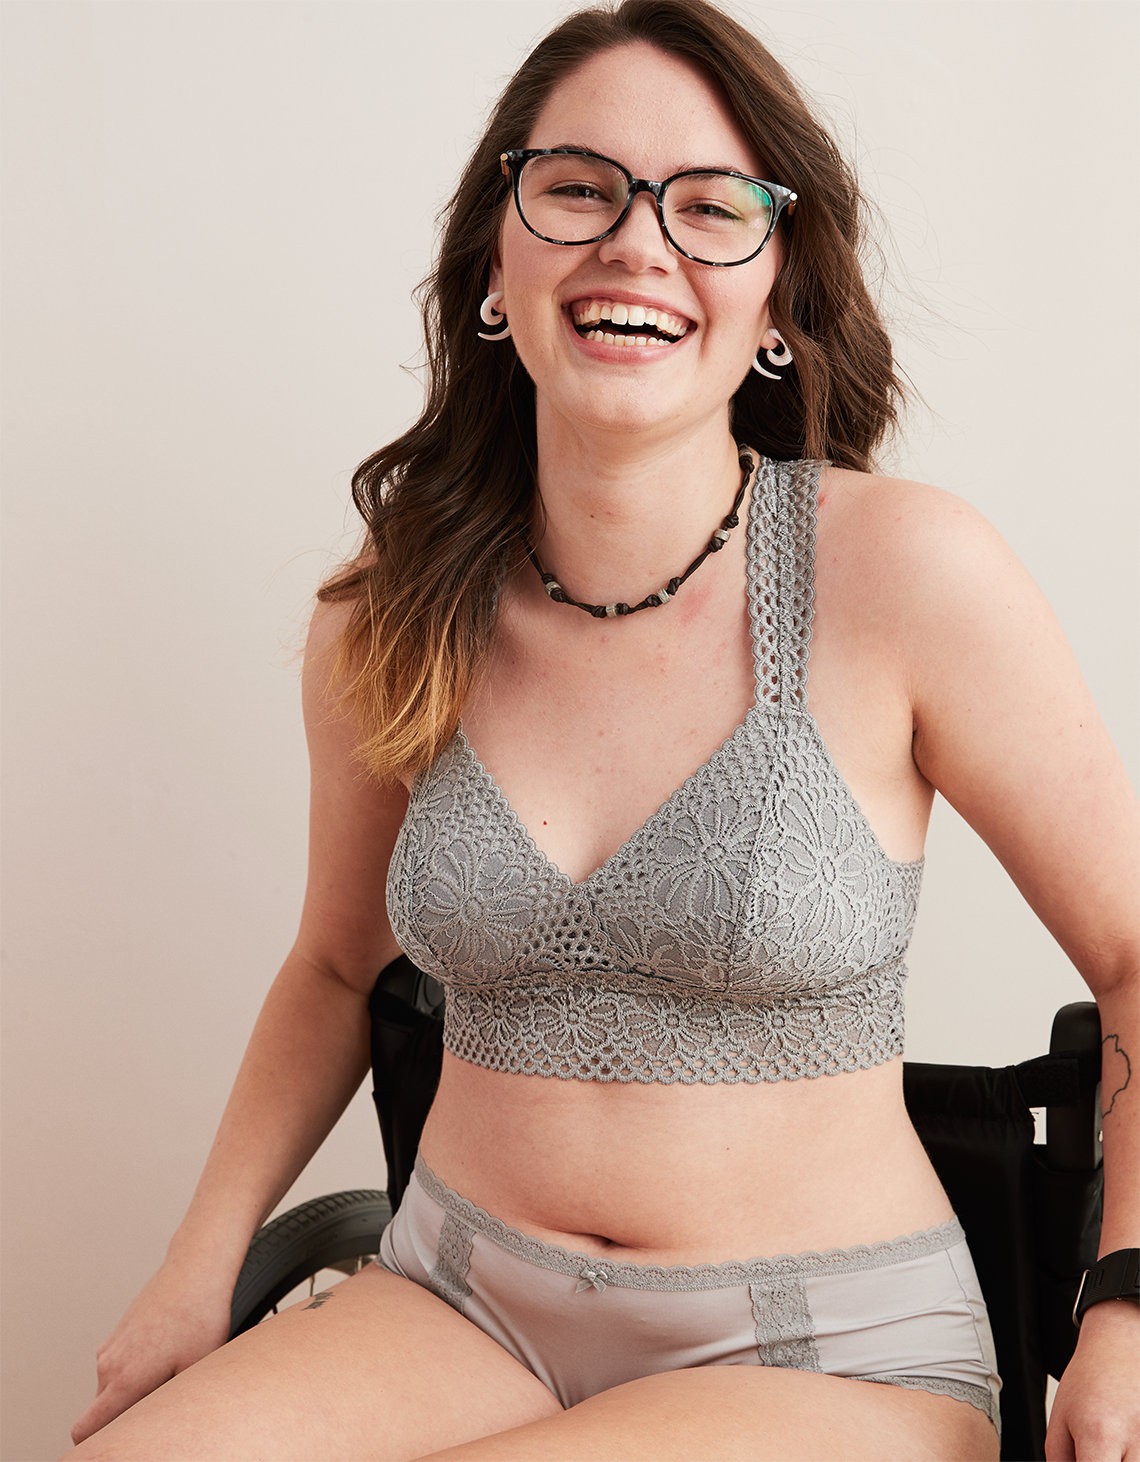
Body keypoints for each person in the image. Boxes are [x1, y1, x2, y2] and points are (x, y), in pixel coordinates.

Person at [67, 1, 1138, 1457]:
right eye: (579, 189)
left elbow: (1135, 957)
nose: (639, 244)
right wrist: (195, 1273)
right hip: (458, 1300)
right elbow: (331, 964)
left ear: (778, 296)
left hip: (824, 1353)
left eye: (712, 207)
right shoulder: (392, 613)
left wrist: (1129, 1301)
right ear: (495, 265)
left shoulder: (906, 576)